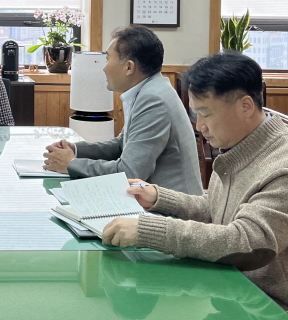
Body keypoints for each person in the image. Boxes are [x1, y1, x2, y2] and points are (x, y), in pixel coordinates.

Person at [102, 52, 288, 312]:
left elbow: (247, 243)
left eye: (206, 113)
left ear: (245, 106)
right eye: (196, 114)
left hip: (283, 315)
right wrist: (159, 198)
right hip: (238, 296)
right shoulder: (240, 147)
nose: (199, 126)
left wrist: (149, 230)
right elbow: (217, 210)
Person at [43, 26, 203, 196]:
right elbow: (122, 145)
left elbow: (130, 172)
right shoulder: (149, 90)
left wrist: (71, 164)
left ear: (128, 67)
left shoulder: (154, 100)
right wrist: (75, 149)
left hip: (173, 211)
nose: (104, 68)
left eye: (108, 59)